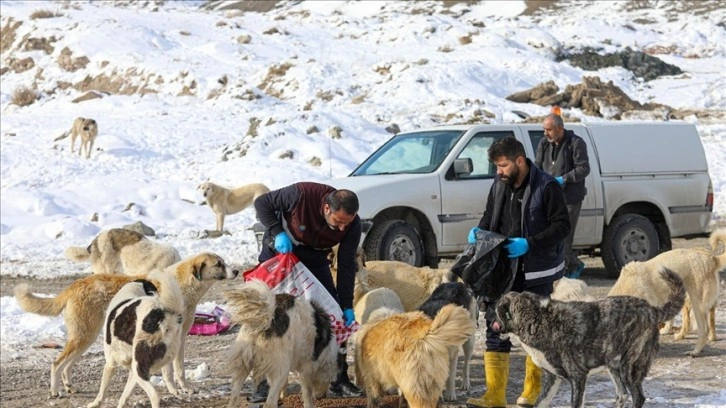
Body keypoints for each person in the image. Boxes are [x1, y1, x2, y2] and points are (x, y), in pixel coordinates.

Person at [465, 137, 570, 408]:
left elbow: (562, 227)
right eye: (496, 166)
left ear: (519, 161)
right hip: (502, 271)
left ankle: (532, 392)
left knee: (533, 333)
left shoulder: (547, 187)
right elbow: (490, 217)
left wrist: (529, 244)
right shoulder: (499, 185)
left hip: (536, 272)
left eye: (503, 165)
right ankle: (494, 396)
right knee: (494, 327)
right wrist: (479, 232)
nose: (498, 171)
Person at [250, 181, 364, 401]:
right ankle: (262, 384)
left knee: (335, 316)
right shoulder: (302, 195)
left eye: (346, 224)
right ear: (326, 209)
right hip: (281, 254)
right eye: (338, 222)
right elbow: (262, 203)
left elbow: (347, 263)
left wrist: (347, 304)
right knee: (267, 316)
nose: (342, 228)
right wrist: (277, 232)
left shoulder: (352, 224)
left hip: (314, 259)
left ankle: (338, 379)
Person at [534, 112, 590, 279]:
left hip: (570, 198)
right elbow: (537, 166)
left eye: (549, 130)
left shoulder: (576, 143)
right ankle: (573, 264)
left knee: (564, 235)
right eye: (544, 129)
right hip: (550, 197)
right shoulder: (544, 143)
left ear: (559, 128)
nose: (545, 133)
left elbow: (584, 168)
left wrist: (564, 179)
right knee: (549, 235)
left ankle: (562, 274)